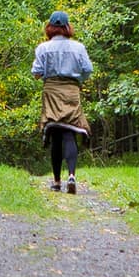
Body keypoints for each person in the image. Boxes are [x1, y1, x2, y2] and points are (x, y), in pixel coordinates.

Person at [32, 11, 92, 193]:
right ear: (67, 28)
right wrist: (77, 80)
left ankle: (57, 181)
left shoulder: (42, 48)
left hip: (51, 91)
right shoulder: (79, 47)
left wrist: (44, 75)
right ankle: (71, 175)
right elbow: (88, 70)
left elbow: (36, 72)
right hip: (72, 91)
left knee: (55, 133)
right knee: (70, 132)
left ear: (50, 28)